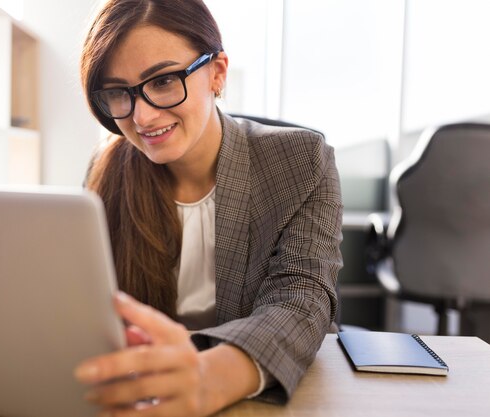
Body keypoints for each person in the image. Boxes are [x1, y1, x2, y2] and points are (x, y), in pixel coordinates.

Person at [75, 0, 343, 416]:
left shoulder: (300, 160)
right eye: (117, 92)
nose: (143, 117)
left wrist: (211, 377)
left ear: (216, 73)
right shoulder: (106, 169)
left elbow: (302, 299)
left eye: (163, 81)